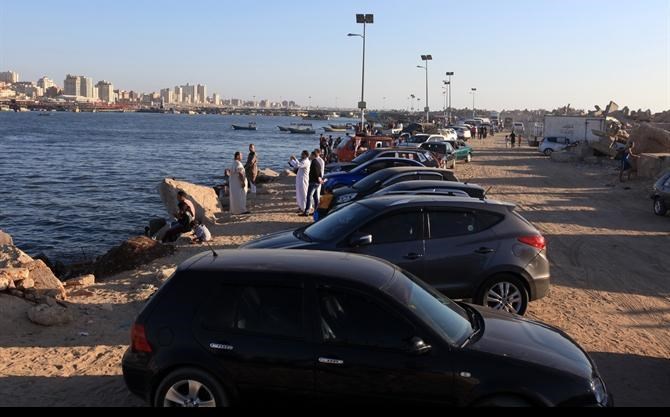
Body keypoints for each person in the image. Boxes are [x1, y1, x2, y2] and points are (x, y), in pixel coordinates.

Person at [303, 152, 323, 217]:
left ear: (314, 155)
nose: (310, 156)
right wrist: (319, 179)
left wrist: (317, 178)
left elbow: (316, 173)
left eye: (311, 155)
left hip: (313, 182)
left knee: (309, 196)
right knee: (315, 197)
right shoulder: (318, 162)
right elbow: (320, 172)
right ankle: (316, 211)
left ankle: (307, 211)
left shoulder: (314, 163)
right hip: (317, 183)